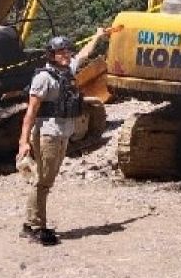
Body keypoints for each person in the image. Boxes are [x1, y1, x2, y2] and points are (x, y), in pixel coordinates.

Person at [17, 27, 111, 245]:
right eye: (61, 52)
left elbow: (84, 55)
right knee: (43, 181)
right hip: (48, 134)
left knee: (45, 180)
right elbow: (31, 111)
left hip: (62, 133)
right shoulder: (43, 78)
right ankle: (34, 226)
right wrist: (23, 142)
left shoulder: (67, 71)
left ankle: (32, 223)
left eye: (68, 51)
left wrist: (98, 36)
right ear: (52, 55)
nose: (66, 55)